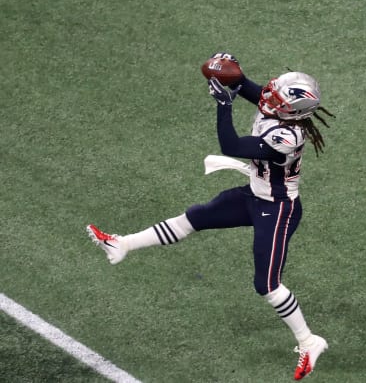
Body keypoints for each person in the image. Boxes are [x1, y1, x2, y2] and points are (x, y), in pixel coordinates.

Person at [86, 54, 334, 381]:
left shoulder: (287, 137)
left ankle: (309, 341)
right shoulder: (281, 111)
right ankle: (122, 245)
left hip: (277, 211)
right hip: (255, 195)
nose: (268, 95)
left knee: (267, 284)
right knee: (196, 217)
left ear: (290, 109)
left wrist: (223, 103)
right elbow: (243, 84)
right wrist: (227, 72)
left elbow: (230, 144)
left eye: (276, 96)